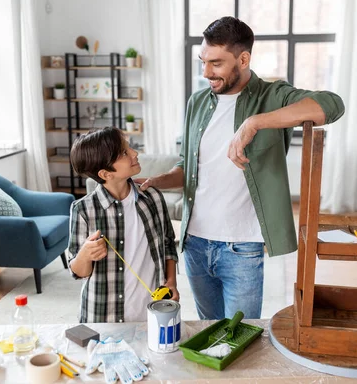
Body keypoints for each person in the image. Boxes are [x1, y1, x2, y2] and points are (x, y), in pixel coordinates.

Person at [136, 17, 345, 320]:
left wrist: (255, 122)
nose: (207, 72)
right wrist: (160, 180)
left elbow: (331, 105)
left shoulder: (272, 97)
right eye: (203, 62)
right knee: (210, 332)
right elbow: (190, 166)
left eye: (217, 63)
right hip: (195, 241)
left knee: (241, 338)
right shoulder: (197, 102)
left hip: (242, 247)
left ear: (244, 59)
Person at [67, 127, 179, 323]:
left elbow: (168, 243)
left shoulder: (152, 197)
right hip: (102, 317)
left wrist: (171, 281)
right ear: (105, 174)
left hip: (151, 313)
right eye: (124, 152)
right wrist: (85, 254)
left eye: (130, 148)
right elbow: (79, 272)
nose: (135, 153)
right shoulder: (83, 210)